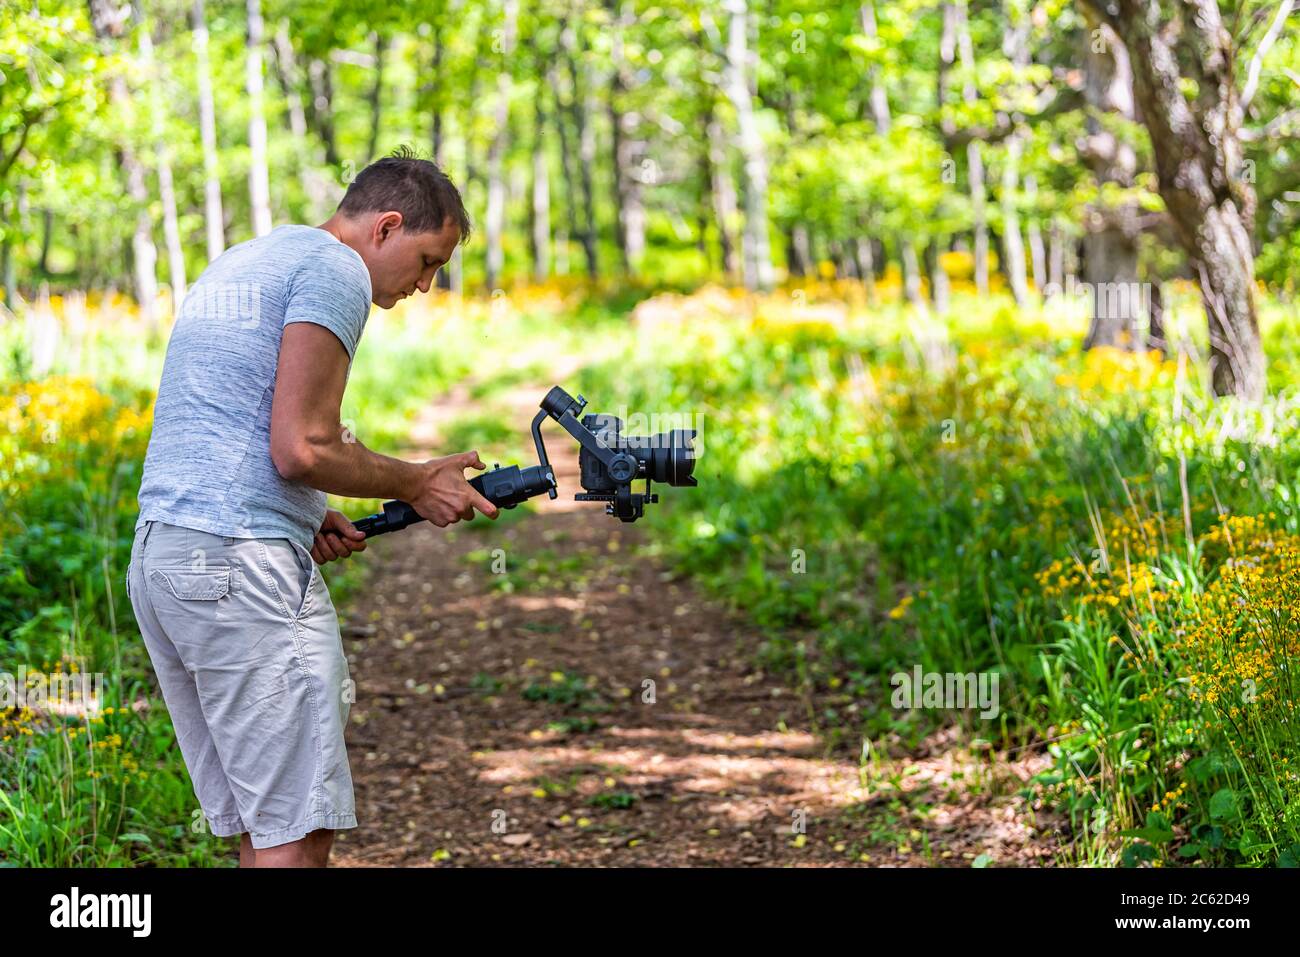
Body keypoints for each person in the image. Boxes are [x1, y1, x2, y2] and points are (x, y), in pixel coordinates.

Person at [125, 147, 498, 867]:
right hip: (241, 570)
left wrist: (302, 509)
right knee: (297, 831)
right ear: (386, 227)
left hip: (165, 559)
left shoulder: (247, 258)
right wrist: (416, 480)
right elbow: (302, 445)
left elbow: (232, 423)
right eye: (427, 261)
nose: (424, 285)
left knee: (265, 825)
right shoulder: (336, 270)